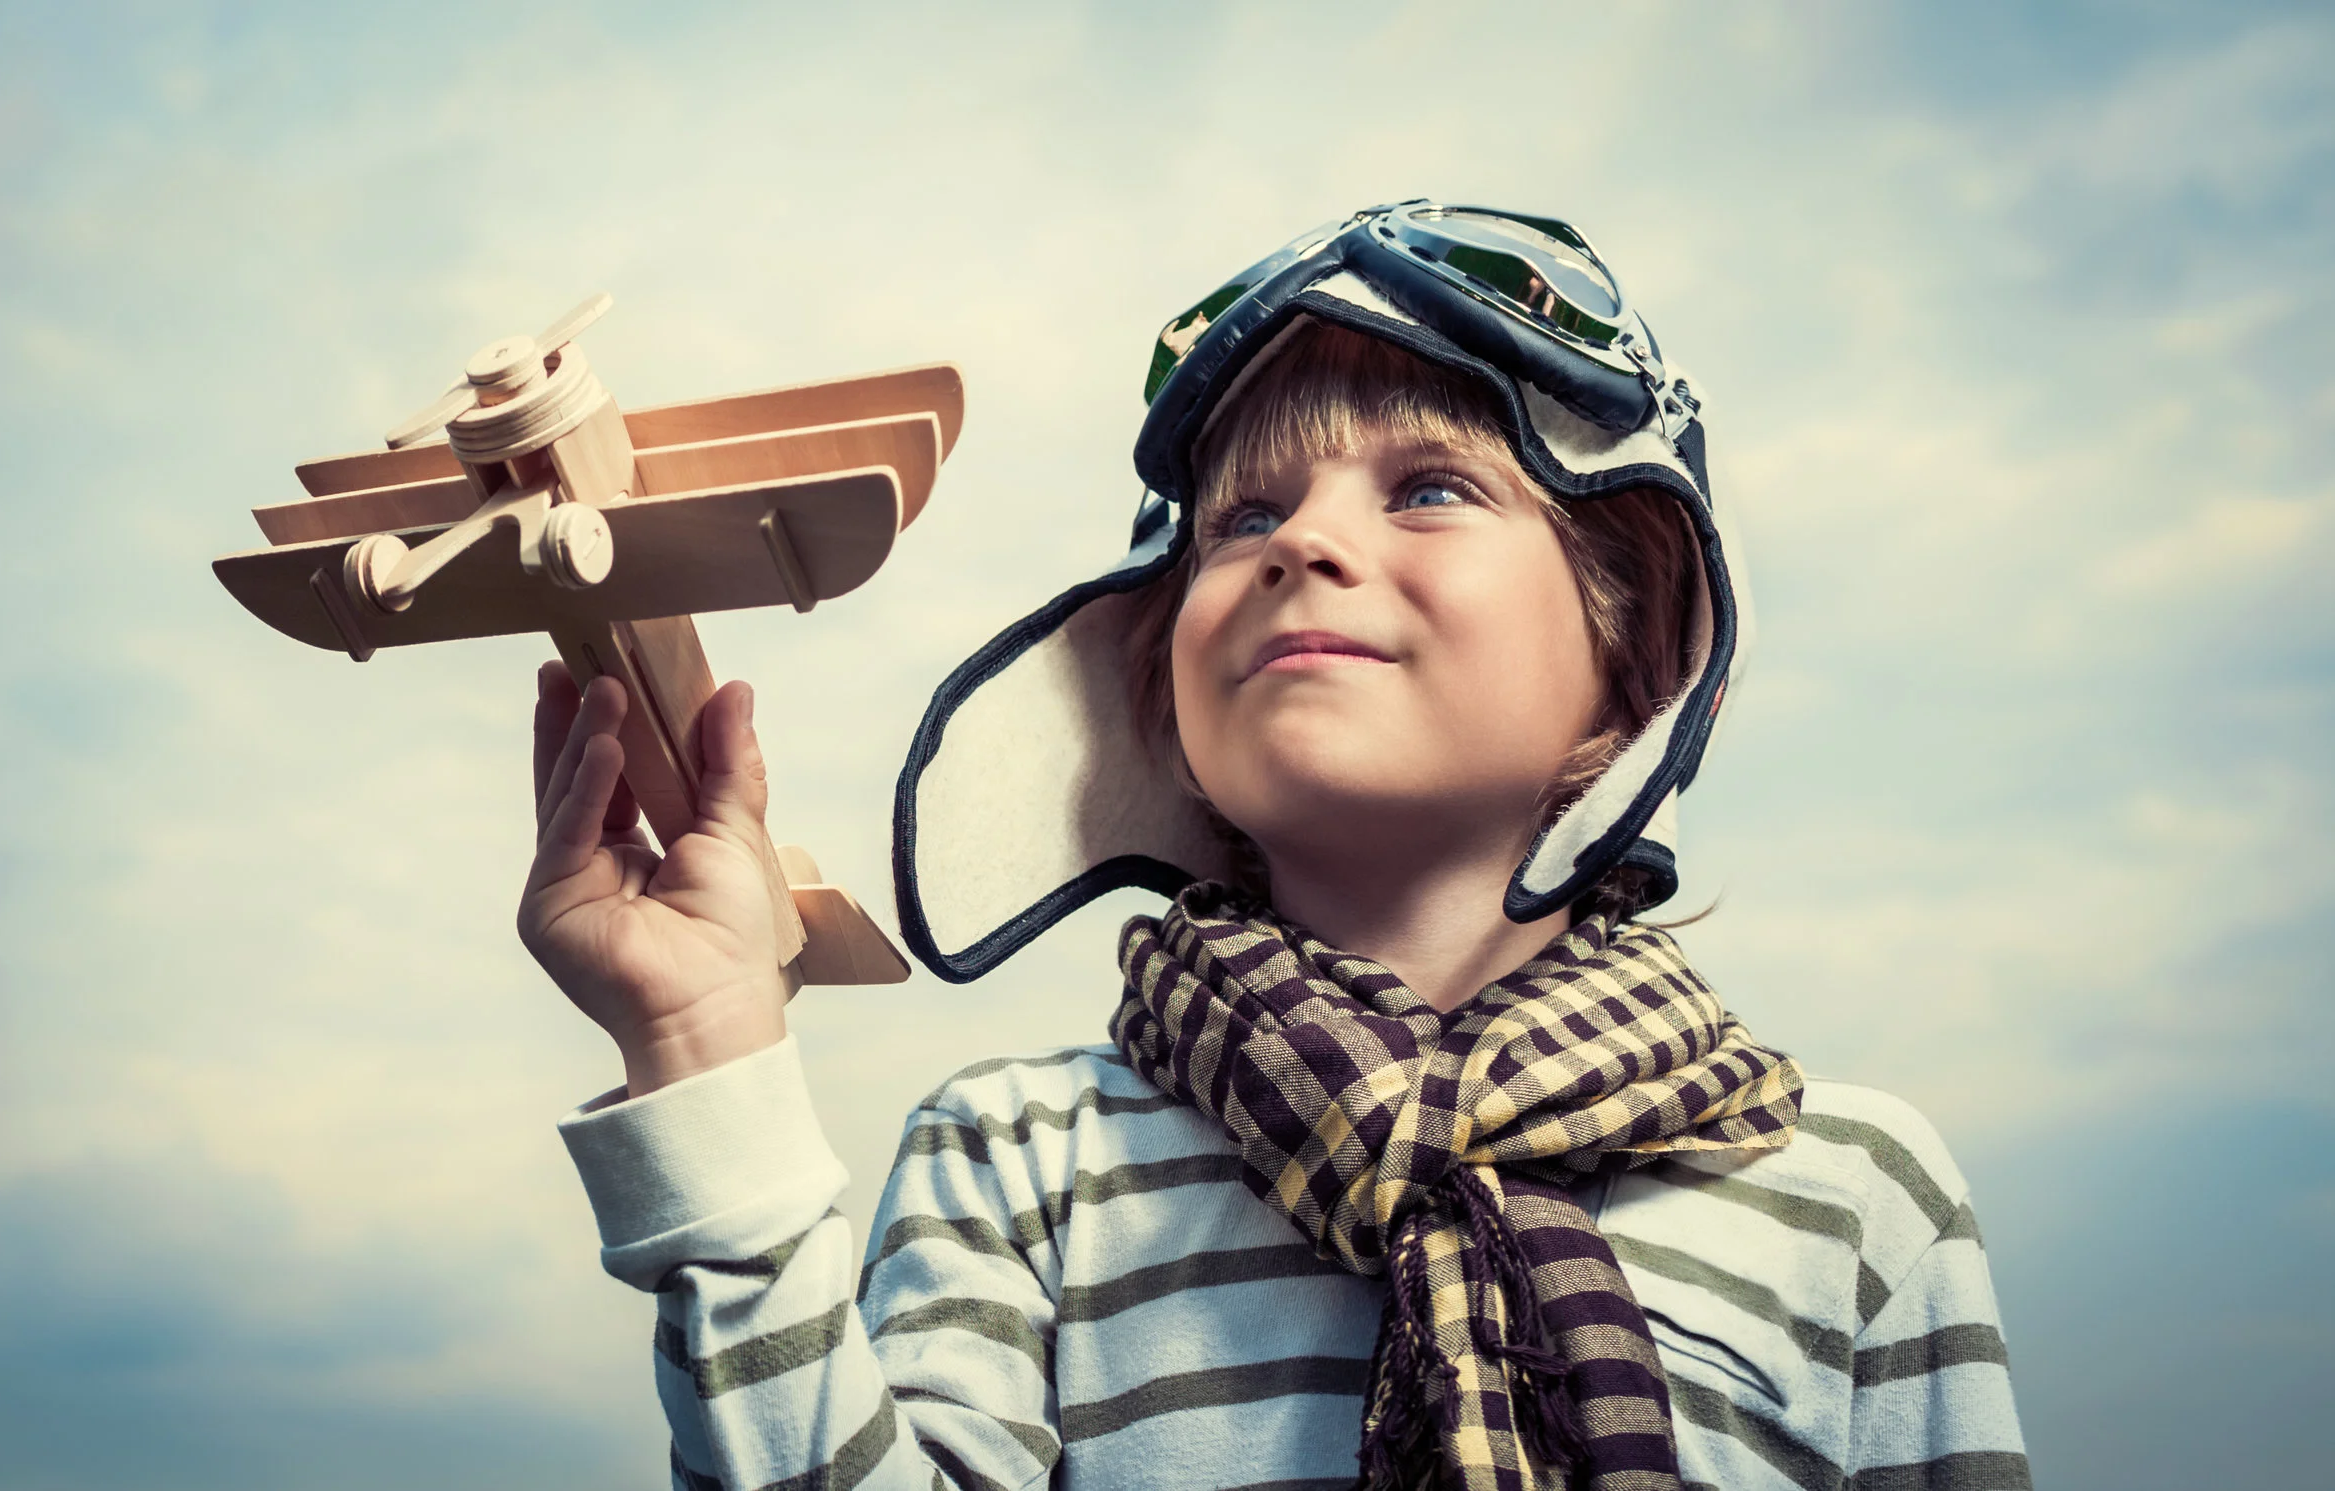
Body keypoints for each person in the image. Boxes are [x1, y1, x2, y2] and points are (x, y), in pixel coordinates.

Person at [521, 204, 2032, 1490]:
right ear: (1159, 691)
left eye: (1432, 488)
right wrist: (706, 1046)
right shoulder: (1027, 1156)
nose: (1301, 542)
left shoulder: (1851, 1192)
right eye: (1241, 518)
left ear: (1633, 653)